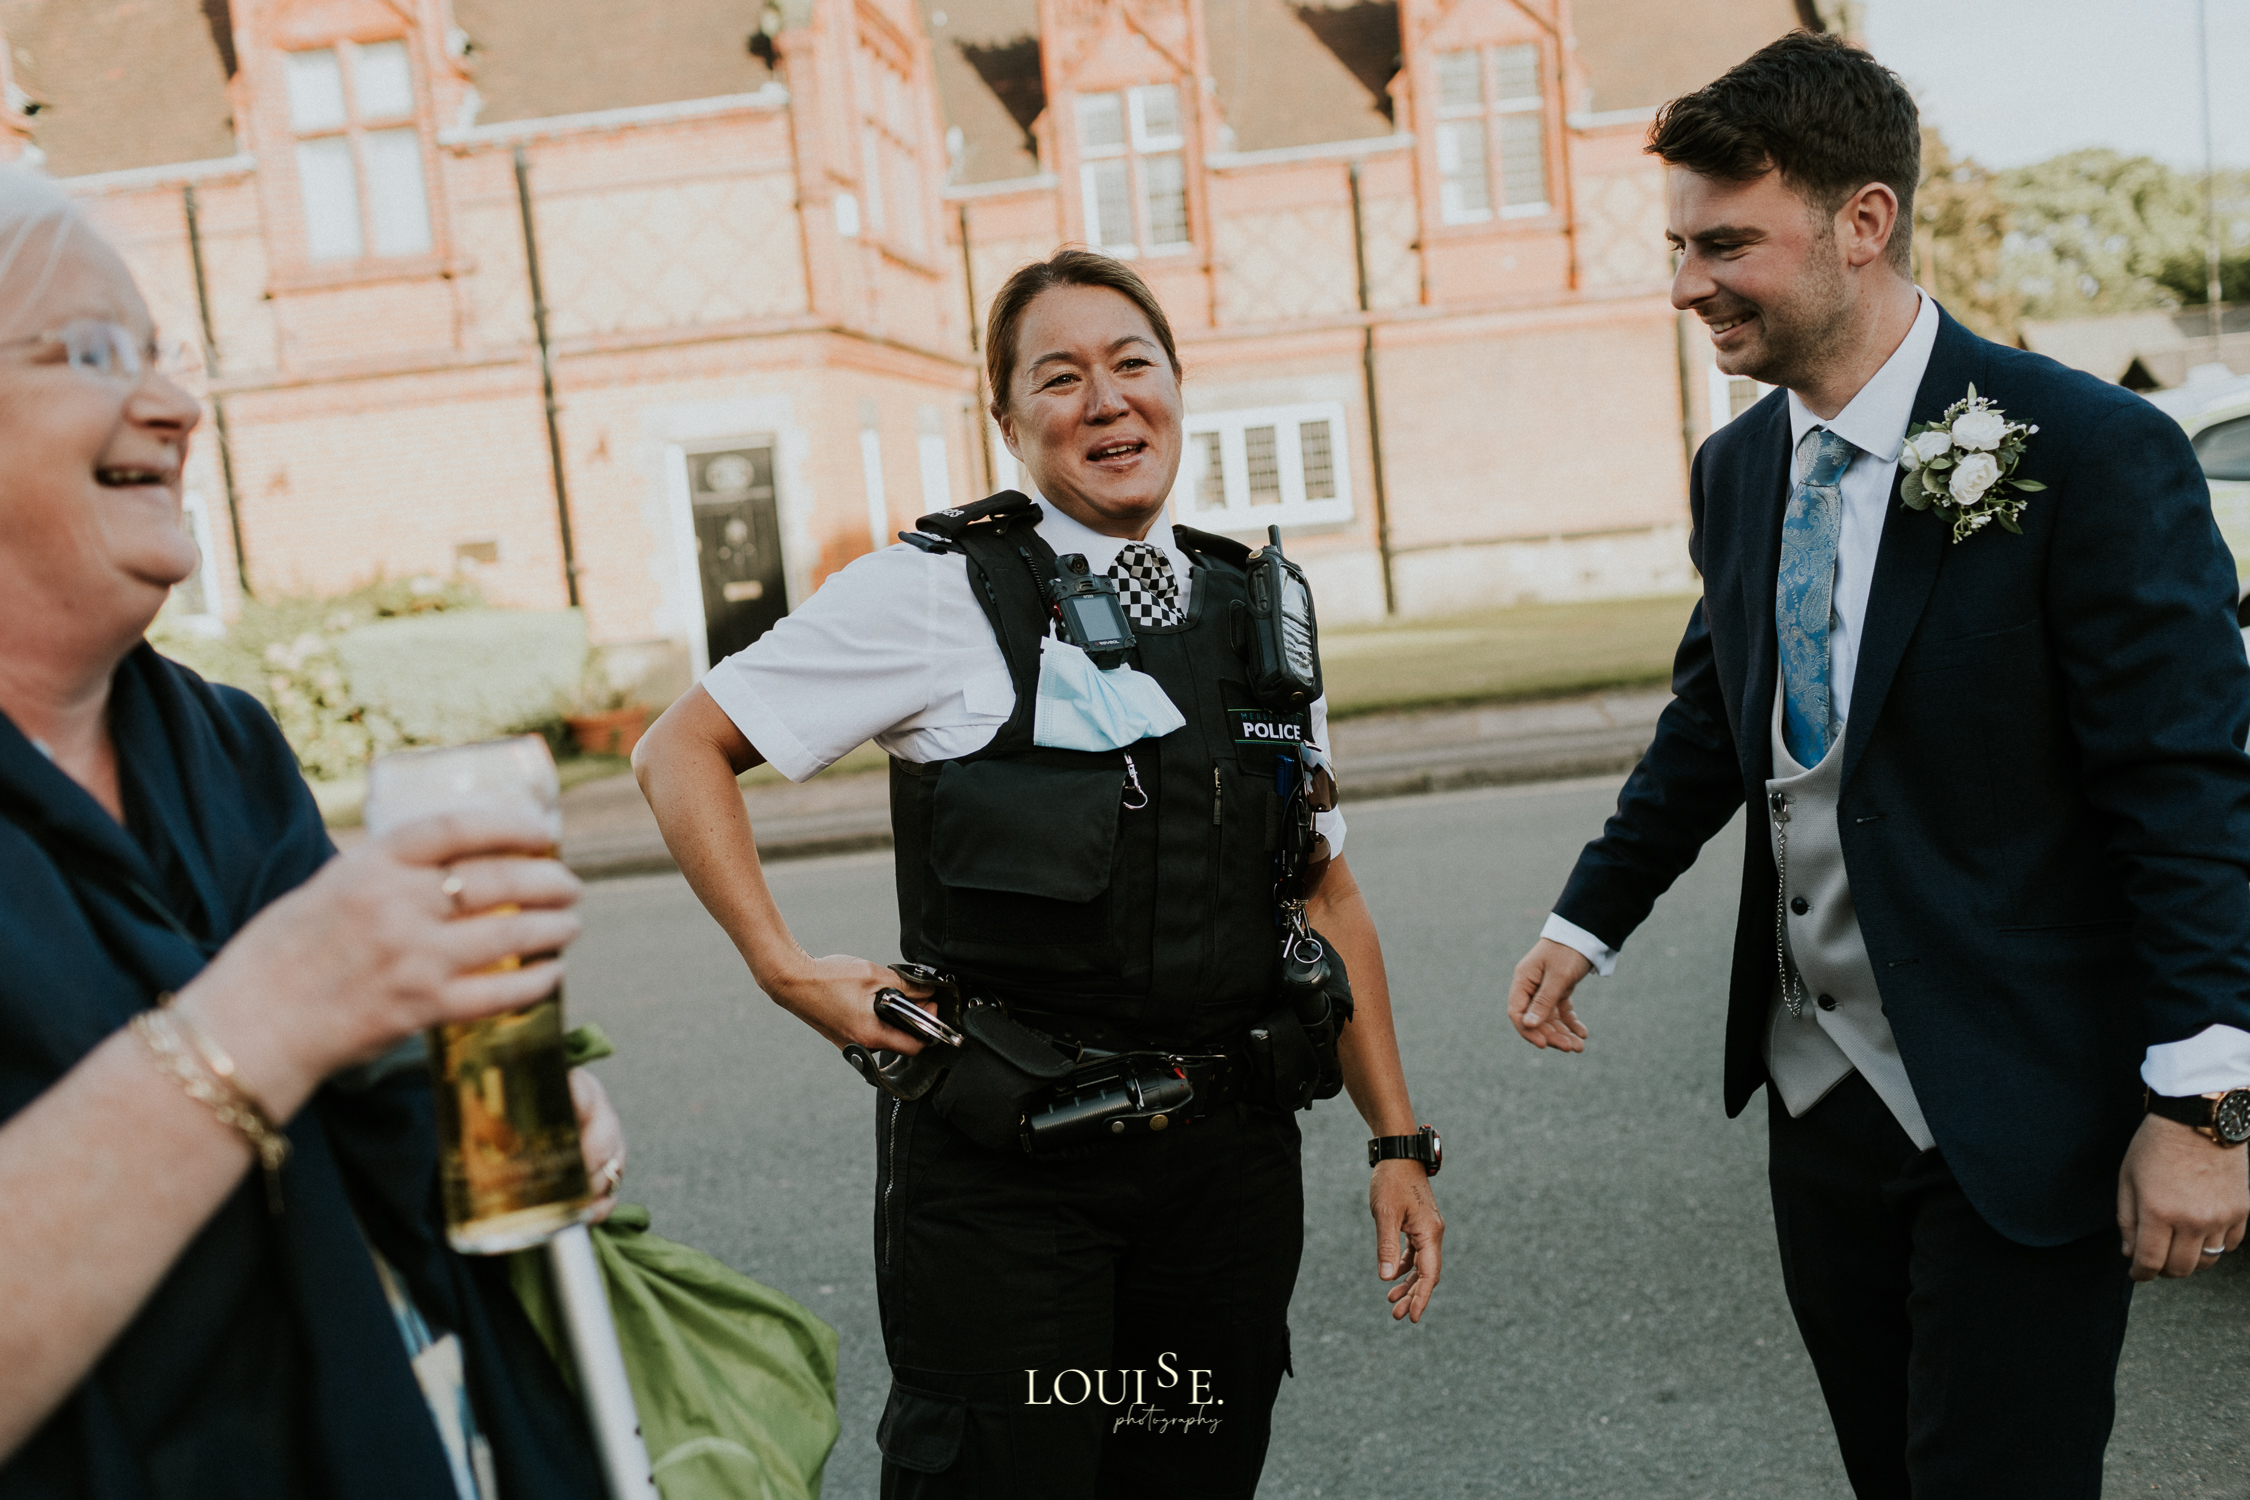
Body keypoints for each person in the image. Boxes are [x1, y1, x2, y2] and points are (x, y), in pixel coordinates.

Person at [1503, 33, 2250, 1499]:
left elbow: (2186, 795)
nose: (1685, 285)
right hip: (1818, 1101)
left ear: (1863, 222)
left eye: (1725, 244)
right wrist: (1586, 918)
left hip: (2020, 1104)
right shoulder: (1737, 470)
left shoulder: (2090, 449)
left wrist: (2203, 1107)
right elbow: (1714, 719)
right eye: (1676, 247)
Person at [634, 247, 1443, 1498]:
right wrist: (784, 969)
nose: (1107, 401)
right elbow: (680, 748)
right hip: (1010, 1185)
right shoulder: (937, 593)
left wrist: (1396, 1140)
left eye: (1133, 364)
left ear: (1177, 384)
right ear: (1008, 422)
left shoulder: (1259, 610)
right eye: (1059, 378)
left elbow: (1321, 890)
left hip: (1224, 1185)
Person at [0, 167, 625, 1498]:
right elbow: (283, 1026)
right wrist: (268, 1012)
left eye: (165, 355)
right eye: (96, 351)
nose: (176, 407)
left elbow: (358, 1118)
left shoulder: (219, 743)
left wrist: (488, 1115)